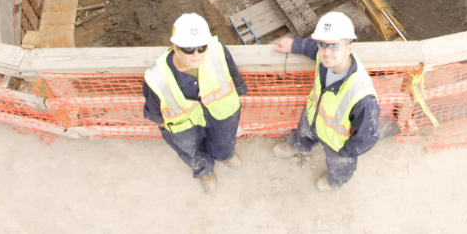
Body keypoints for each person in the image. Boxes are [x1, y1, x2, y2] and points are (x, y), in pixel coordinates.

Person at [271, 12, 380, 192]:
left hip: (337, 141)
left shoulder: (362, 95)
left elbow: (367, 136)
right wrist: (294, 45)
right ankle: (300, 145)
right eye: (323, 45)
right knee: (304, 132)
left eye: (335, 46)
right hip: (314, 116)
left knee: (340, 163)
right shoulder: (324, 59)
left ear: (350, 48)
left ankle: (336, 180)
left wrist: (346, 152)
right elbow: (313, 47)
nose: (327, 52)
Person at [142, 13, 247, 194]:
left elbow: (233, 75)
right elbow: (155, 113)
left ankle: (224, 155)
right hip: (184, 123)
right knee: (189, 148)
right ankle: (204, 169)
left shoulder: (216, 50)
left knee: (225, 137)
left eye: (201, 47)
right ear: (175, 46)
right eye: (188, 49)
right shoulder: (157, 77)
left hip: (221, 108)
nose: (196, 54)